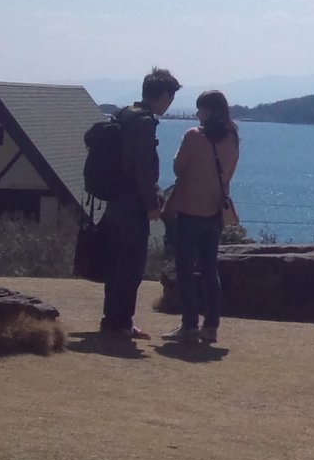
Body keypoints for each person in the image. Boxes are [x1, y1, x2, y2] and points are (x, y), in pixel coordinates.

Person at [101, 67, 180, 342]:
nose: (170, 104)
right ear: (163, 95)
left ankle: (113, 319)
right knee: (131, 265)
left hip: (114, 199)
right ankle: (121, 322)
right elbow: (142, 168)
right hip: (132, 203)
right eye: (170, 97)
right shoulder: (145, 122)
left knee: (115, 264)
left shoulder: (124, 114)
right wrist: (152, 203)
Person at [161, 89, 239, 346]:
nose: (197, 113)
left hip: (189, 210)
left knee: (185, 270)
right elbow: (229, 173)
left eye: (200, 108)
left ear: (209, 110)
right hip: (215, 211)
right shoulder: (232, 137)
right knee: (209, 269)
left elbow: (178, 166)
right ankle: (211, 326)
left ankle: (189, 325)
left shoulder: (194, 136)